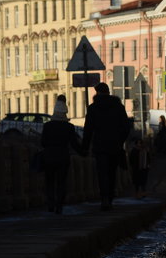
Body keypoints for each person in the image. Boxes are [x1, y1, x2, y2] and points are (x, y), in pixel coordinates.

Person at [80, 82, 131, 211]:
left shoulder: (93, 108)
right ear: (109, 92)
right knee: (112, 172)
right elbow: (126, 127)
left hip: (100, 146)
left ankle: (104, 199)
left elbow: (88, 130)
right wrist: (120, 141)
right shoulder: (118, 107)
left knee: (102, 173)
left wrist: (85, 147)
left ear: (97, 93)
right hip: (114, 146)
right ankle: (110, 198)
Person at [39, 96, 82, 214]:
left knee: (50, 181)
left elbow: (43, 142)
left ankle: (51, 204)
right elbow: (74, 143)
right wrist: (83, 152)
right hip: (63, 156)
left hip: (49, 157)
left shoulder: (47, 126)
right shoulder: (69, 127)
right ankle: (59, 206)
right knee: (61, 182)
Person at [126, 132, 151, 199]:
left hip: (144, 168)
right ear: (136, 143)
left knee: (143, 182)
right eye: (139, 143)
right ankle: (137, 193)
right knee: (137, 182)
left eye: (141, 143)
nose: (140, 144)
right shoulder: (134, 150)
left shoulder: (145, 150)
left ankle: (143, 193)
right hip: (136, 168)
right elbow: (131, 159)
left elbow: (148, 158)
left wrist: (148, 165)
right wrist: (132, 166)